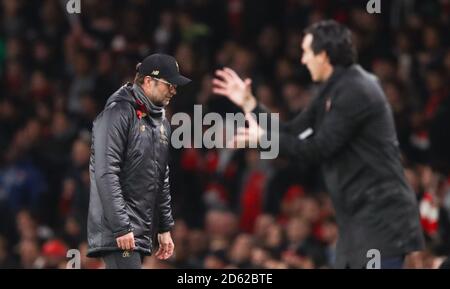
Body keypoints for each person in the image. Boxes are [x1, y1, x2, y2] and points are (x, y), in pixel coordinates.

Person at [212, 20, 424, 269]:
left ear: (323, 55)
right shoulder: (331, 89)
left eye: (306, 52)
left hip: (380, 220)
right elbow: (294, 131)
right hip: (356, 220)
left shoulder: (357, 89)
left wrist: (263, 139)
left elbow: (318, 148)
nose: (302, 60)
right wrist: (250, 105)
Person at [87, 53, 191, 269]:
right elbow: (106, 172)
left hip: (138, 231)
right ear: (148, 81)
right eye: (169, 84)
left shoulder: (161, 122)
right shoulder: (118, 112)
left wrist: (163, 227)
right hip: (118, 231)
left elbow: (161, 177)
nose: (174, 90)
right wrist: (121, 227)